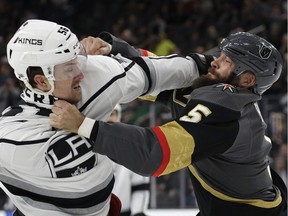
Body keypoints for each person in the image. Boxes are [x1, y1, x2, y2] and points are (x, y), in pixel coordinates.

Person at [50, 32, 287, 216]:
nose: (216, 61)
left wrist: (84, 126)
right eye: (221, 54)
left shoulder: (226, 108)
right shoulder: (218, 85)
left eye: (228, 61)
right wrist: (113, 50)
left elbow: (156, 153)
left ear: (246, 80)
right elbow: (164, 73)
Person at [0, 19, 208, 216]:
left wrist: (218, 65)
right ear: (42, 81)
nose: (81, 73)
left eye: (77, 60)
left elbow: (170, 71)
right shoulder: (11, 140)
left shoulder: (96, 74)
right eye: (69, 67)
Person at [108, 104, 150, 216]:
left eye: (112, 114)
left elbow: (140, 187)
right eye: (105, 114)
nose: (108, 118)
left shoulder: (132, 148)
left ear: (118, 117)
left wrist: (138, 213)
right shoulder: (86, 148)